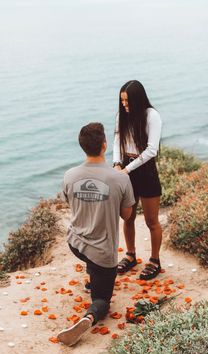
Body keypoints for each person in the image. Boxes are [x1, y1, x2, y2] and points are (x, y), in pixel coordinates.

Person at [57, 122, 135, 346]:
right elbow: (127, 216)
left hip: (75, 243)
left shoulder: (69, 175)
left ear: (83, 147)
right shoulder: (120, 178)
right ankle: (89, 317)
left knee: (92, 260)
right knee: (102, 299)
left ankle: (94, 279)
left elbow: (68, 201)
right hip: (102, 253)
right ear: (104, 145)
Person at [113, 80, 162, 281]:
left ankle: (154, 260)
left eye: (127, 101)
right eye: (122, 101)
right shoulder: (121, 116)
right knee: (128, 217)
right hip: (125, 167)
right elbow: (117, 142)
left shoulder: (152, 116)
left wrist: (127, 169)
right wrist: (117, 164)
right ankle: (131, 255)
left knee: (151, 220)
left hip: (145, 170)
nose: (124, 105)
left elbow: (152, 150)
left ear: (137, 99)